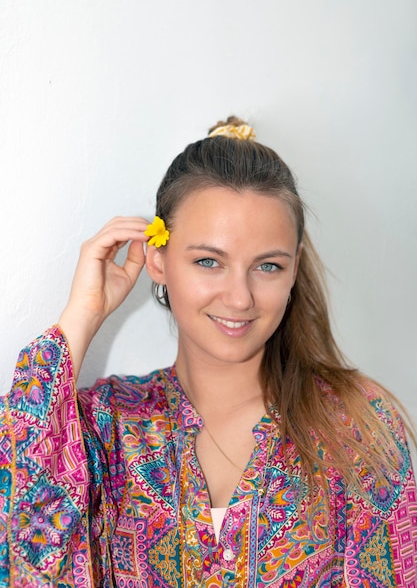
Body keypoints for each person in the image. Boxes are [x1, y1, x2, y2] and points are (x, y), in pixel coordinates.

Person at [0, 117, 416, 587]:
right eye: (208, 261)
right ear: (158, 259)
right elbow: (22, 516)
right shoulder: (107, 427)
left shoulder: (355, 424)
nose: (239, 298)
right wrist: (83, 313)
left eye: (268, 266)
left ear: (294, 267)